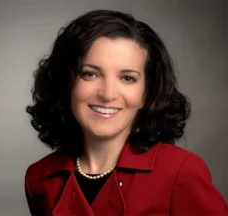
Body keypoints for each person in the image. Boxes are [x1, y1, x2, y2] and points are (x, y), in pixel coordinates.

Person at [24, 9, 227, 215]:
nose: (108, 94)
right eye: (90, 74)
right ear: (66, 83)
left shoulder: (180, 172)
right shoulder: (40, 177)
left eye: (127, 78)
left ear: (147, 93)